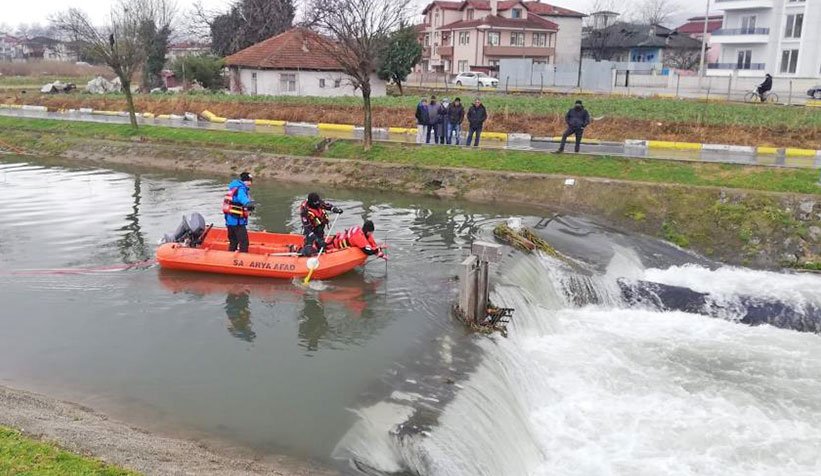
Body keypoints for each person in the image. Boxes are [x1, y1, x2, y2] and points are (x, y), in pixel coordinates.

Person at [299, 192, 342, 256]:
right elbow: (307, 228)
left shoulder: (318, 202)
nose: (318, 204)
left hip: (319, 227)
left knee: (321, 246)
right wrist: (317, 240)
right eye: (316, 203)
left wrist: (335, 209)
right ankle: (301, 250)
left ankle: (321, 250)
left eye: (318, 202)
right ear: (311, 203)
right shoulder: (304, 211)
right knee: (308, 251)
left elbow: (327, 206)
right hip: (310, 231)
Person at [222, 171, 256, 253]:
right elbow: (243, 199)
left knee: (233, 242)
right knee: (244, 242)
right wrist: (249, 204)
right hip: (237, 222)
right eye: (249, 181)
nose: (250, 183)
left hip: (230, 221)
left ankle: (230, 258)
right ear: (246, 181)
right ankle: (243, 259)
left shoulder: (234, 187)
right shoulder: (241, 189)